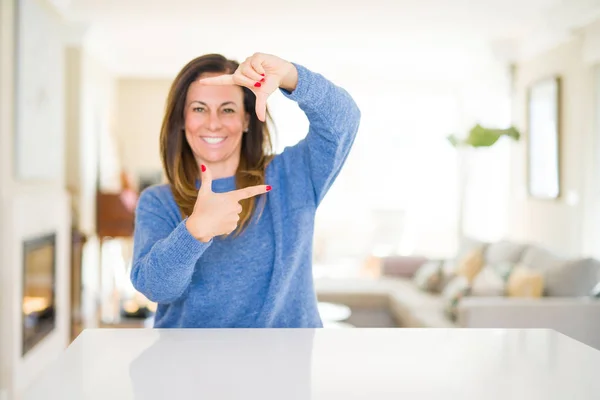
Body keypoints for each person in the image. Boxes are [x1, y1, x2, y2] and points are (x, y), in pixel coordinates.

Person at [130, 52, 361, 328]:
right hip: (189, 366)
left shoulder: (291, 175)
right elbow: (156, 289)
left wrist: (290, 75)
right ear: (181, 119)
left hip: (283, 366)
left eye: (227, 109)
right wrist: (193, 232)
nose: (213, 123)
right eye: (199, 108)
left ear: (247, 120)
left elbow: (344, 121)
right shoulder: (158, 202)